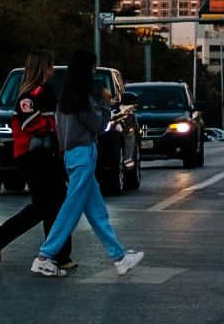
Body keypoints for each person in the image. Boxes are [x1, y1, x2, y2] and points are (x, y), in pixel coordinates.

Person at [33, 50, 142, 279]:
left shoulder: (65, 99)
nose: (94, 72)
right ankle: (44, 256)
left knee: (97, 210)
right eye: (93, 68)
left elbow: (61, 131)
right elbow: (99, 125)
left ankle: (120, 258)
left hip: (73, 157)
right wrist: (106, 105)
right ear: (86, 70)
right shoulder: (82, 100)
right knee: (71, 208)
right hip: (83, 157)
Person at [0, 49, 74, 269]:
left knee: (45, 204)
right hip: (39, 156)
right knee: (56, 202)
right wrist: (52, 127)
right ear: (45, 68)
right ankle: (55, 254)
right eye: (51, 65)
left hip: (32, 156)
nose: (53, 70)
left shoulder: (29, 93)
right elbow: (30, 123)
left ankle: (5, 236)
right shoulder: (40, 94)